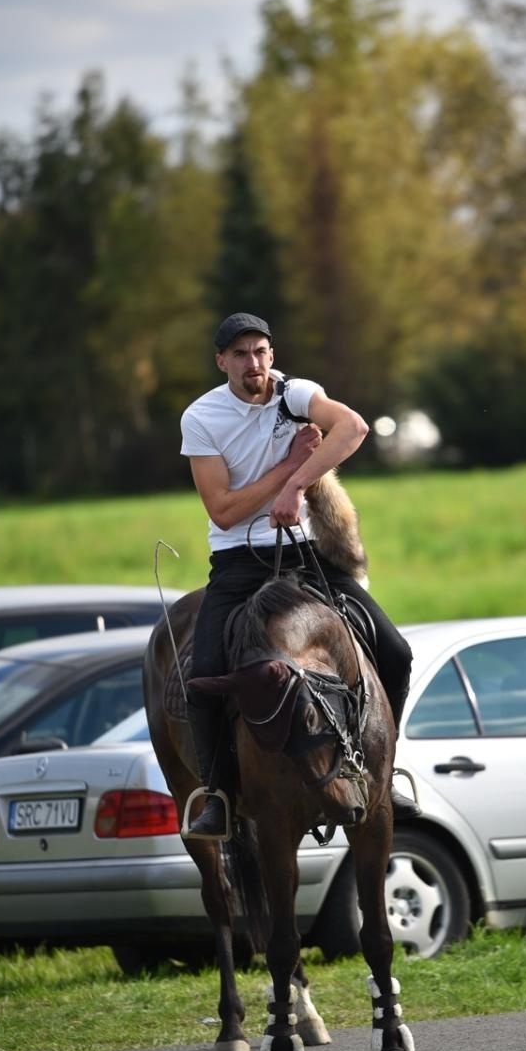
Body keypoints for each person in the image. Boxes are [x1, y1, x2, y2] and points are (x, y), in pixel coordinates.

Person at [180, 311, 420, 839]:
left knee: (396, 652)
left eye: (261, 351)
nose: (254, 363)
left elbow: (352, 427)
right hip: (239, 564)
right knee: (203, 680)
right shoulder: (201, 417)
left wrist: (297, 485)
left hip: (306, 555)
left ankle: (384, 772)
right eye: (240, 354)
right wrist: (288, 468)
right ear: (221, 362)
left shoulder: (295, 394)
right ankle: (217, 794)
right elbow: (223, 510)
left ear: (272, 354)